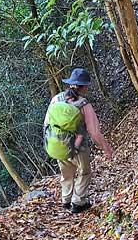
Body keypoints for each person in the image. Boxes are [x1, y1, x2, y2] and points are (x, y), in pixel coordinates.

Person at [44, 68, 113, 213]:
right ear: (84, 87)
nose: (88, 88)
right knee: (85, 172)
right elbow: (94, 132)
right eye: (87, 85)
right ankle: (78, 202)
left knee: (66, 173)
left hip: (58, 144)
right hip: (78, 147)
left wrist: (50, 141)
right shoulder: (83, 105)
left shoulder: (56, 99)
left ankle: (66, 200)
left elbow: (47, 123)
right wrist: (106, 147)